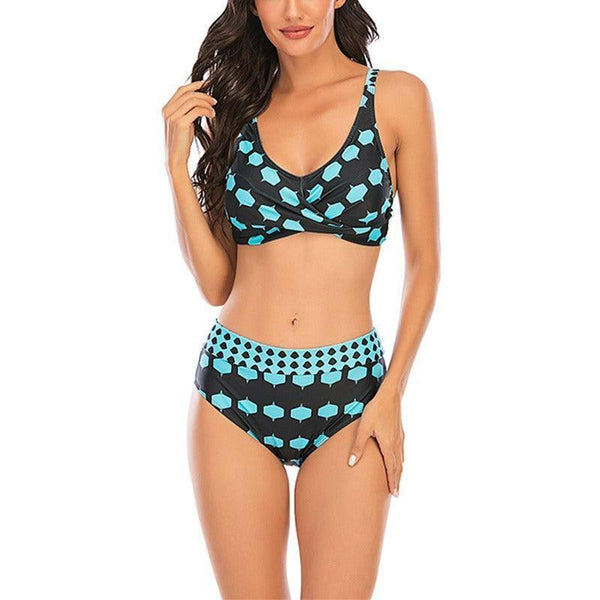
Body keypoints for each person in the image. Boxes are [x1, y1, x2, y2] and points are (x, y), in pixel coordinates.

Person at [162, 1, 439, 597]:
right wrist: (176, 170)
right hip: (234, 388)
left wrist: (392, 394)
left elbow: (424, 265)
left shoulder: (397, 98)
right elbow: (216, 285)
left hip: (352, 396)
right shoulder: (239, 109)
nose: (292, 10)